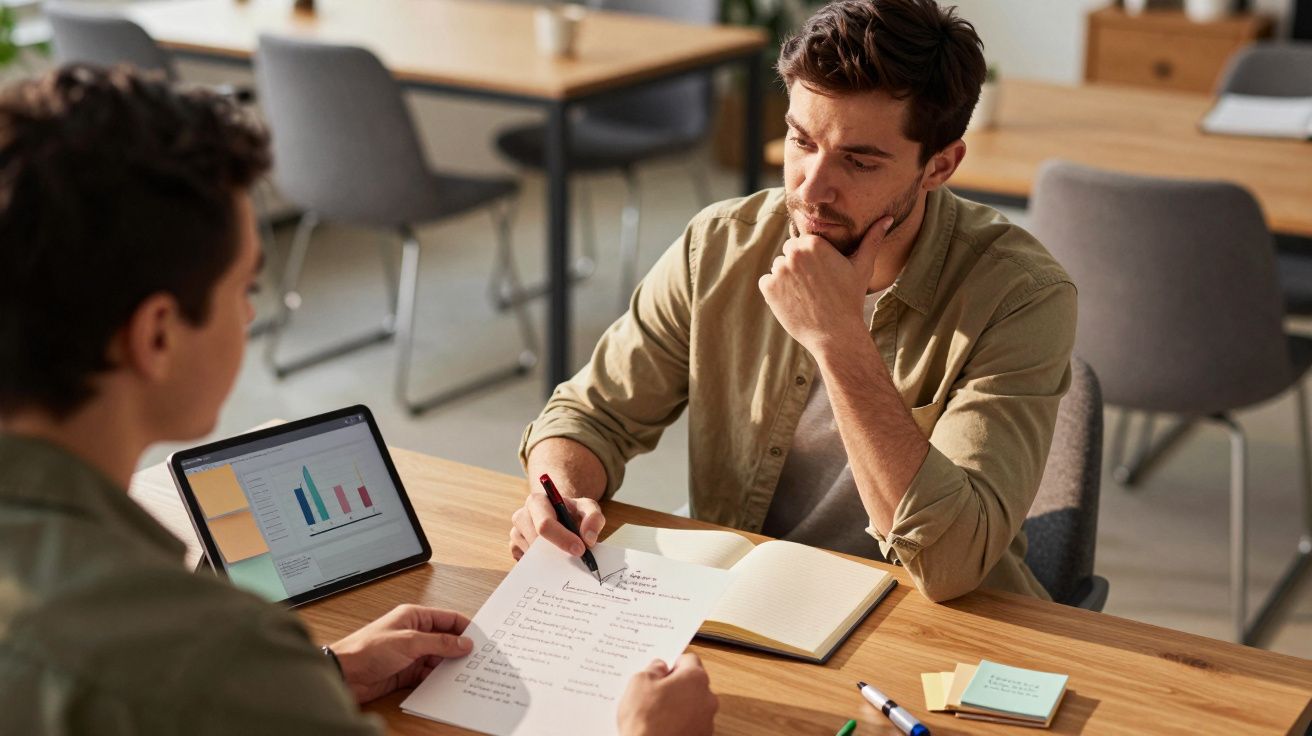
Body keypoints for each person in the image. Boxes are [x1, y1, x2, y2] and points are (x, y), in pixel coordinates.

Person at [0, 65, 717, 735]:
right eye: (246, 288)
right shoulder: (207, 653)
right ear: (157, 334)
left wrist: (321, 674)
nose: (249, 315)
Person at [510, 0, 1076, 603]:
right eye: (801, 141)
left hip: (927, 619)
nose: (811, 187)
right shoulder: (720, 245)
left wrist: (838, 337)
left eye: (859, 161)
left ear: (940, 166)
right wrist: (558, 493)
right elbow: (590, 415)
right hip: (747, 602)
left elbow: (952, 561)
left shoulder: (1021, 297)